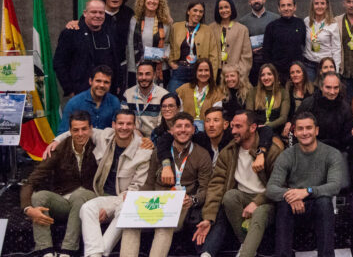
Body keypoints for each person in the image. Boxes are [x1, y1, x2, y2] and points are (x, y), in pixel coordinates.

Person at [193, 110, 284, 257]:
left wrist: (257, 202)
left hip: (267, 200)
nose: (233, 131)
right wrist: (208, 217)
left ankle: (245, 253)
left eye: (238, 127)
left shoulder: (271, 152)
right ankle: (248, 245)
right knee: (229, 196)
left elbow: (279, 184)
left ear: (253, 128)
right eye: (232, 126)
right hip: (242, 199)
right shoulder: (228, 152)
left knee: (260, 212)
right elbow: (216, 186)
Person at [120, 112, 212, 257]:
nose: (183, 130)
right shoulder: (159, 153)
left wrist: (193, 199)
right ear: (171, 131)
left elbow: (205, 188)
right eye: (179, 126)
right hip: (156, 201)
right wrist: (135, 198)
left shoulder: (202, 155)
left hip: (180, 204)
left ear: (193, 130)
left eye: (187, 126)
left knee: (165, 223)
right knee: (131, 221)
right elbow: (149, 183)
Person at [266, 112, 345, 257]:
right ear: (294, 132)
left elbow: (334, 186)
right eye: (300, 129)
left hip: (318, 204)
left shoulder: (332, 154)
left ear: (316, 130)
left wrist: (307, 191)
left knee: (324, 202)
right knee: (284, 203)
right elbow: (271, 189)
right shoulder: (287, 155)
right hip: (294, 206)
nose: (305, 133)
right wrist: (292, 195)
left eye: (309, 128)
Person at [22, 111, 99, 257]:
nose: (80, 134)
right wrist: (27, 209)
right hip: (64, 201)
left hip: (90, 200)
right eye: (75, 130)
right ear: (69, 131)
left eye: (84, 129)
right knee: (39, 197)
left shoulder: (100, 146)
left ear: (91, 129)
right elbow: (30, 181)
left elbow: (123, 134)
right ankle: (46, 251)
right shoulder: (59, 149)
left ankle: (67, 251)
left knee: (80, 194)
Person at [78, 110, 153, 257]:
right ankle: (96, 254)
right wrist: (55, 141)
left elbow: (135, 189)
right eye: (120, 123)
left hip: (124, 199)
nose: (124, 127)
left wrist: (109, 210)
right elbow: (76, 132)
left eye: (128, 124)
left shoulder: (144, 153)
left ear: (134, 126)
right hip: (102, 195)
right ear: (113, 125)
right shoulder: (105, 135)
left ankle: (97, 253)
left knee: (126, 209)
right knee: (86, 208)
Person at [54, 0, 122, 97]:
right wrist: (69, 90)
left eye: (101, 13)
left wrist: (117, 85)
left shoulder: (110, 32)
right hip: (80, 93)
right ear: (85, 13)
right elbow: (59, 63)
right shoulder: (70, 33)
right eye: (93, 12)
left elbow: (116, 61)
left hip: (108, 93)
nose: (97, 15)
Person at [296, 71, 353, 152]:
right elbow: (296, 130)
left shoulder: (345, 108)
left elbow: (345, 140)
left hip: (335, 152)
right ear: (321, 87)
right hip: (310, 149)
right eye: (328, 87)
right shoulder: (308, 104)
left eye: (336, 88)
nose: (332, 92)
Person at [126, 0, 172, 89]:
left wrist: (165, 55)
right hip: (138, 68)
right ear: (143, 0)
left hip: (159, 68)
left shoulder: (166, 23)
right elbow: (129, 45)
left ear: (160, 3)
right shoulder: (134, 21)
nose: (152, 1)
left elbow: (168, 43)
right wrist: (131, 68)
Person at [168, 0, 218, 93]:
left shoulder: (208, 30)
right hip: (179, 71)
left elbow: (213, 56)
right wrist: (171, 62)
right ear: (188, 11)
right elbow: (169, 46)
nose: (198, 14)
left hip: (199, 73)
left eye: (201, 12)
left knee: (197, 102)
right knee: (173, 99)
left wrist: (212, 78)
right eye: (195, 10)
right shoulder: (176, 27)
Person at [58, 65, 121, 134]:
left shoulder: (114, 102)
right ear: (90, 81)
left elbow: (119, 130)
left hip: (106, 143)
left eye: (106, 82)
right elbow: (63, 132)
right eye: (98, 81)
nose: (102, 85)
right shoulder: (74, 103)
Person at [239, 0, 279, 86]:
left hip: (272, 63)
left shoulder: (276, 18)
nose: (256, 1)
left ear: (264, 0)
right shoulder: (243, 22)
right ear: (249, 2)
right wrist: (250, 50)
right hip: (253, 64)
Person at [262, 0, 306, 83]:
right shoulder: (271, 26)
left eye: (289, 5)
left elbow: (304, 44)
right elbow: (266, 51)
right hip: (278, 72)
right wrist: (271, 72)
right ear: (279, 8)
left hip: (297, 72)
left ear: (295, 7)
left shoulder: (301, 23)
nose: (286, 8)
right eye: (283, 5)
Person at [211, 0, 252, 85]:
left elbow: (246, 55)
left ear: (232, 8)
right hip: (215, 73)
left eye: (226, 7)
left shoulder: (242, 29)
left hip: (235, 74)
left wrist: (240, 73)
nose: (224, 10)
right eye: (221, 8)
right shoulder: (211, 28)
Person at [121, 60, 169, 137]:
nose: (143, 78)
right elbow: (124, 119)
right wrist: (136, 134)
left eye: (147, 74)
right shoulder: (128, 94)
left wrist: (150, 141)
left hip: (157, 138)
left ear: (154, 75)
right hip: (134, 136)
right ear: (136, 76)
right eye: (140, 74)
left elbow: (163, 126)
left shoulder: (164, 95)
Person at [176, 59, 227, 130]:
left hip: (208, 132)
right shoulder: (184, 89)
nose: (203, 73)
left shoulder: (217, 92)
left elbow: (216, 117)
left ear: (211, 73)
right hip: (185, 130)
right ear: (195, 72)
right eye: (200, 70)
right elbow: (179, 114)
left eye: (206, 70)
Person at [303, 0, 341, 81]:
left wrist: (336, 70)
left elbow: (336, 49)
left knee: (325, 91)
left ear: (327, 6)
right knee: (310, 91)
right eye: (316, 3)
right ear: (312, 6)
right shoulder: (306, 21)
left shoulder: (332, 24)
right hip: (309, 65)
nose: (319, 6)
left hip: (325, 65)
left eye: (322, 3)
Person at [246, 63, 290, 133]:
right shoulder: (253, 92)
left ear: (275, 76)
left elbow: (283, 118)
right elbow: (249, 115)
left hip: (275, 130)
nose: (266, 78)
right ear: (260, 78)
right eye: (263, 75)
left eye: (269, 74)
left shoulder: (283, 92)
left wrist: (267, 127)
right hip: (256, 130)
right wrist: (257, 127)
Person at [282, 61, 315, 139]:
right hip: (291, 124)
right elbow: (286, 112)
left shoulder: (313, 91)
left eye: (298, 72)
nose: (295, 75)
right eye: (292, 73)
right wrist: (289, 122)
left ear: (303, 74)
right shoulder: (287, 91)